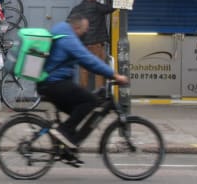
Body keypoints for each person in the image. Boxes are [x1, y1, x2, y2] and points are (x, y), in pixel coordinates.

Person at [36, 14, 129, 159]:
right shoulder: (68, 38)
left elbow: (84, 61)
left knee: (79, 110)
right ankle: (64, 135)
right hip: (53, 83)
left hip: (51, 82)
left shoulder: (62, 31)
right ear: (77, 27)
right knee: (89, 101)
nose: (85, 34)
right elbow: (88, 59)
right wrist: (114, 75)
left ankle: (66, 148)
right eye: (84, 30)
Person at [68, 0, 113, 88]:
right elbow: (111, 8)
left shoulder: (76, 8)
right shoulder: (96, 7)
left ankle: (82, 93)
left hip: (82, 44)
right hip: (96, 44)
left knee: (84, 70)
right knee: (99, 69)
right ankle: (99, 93)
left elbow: (69, 22)